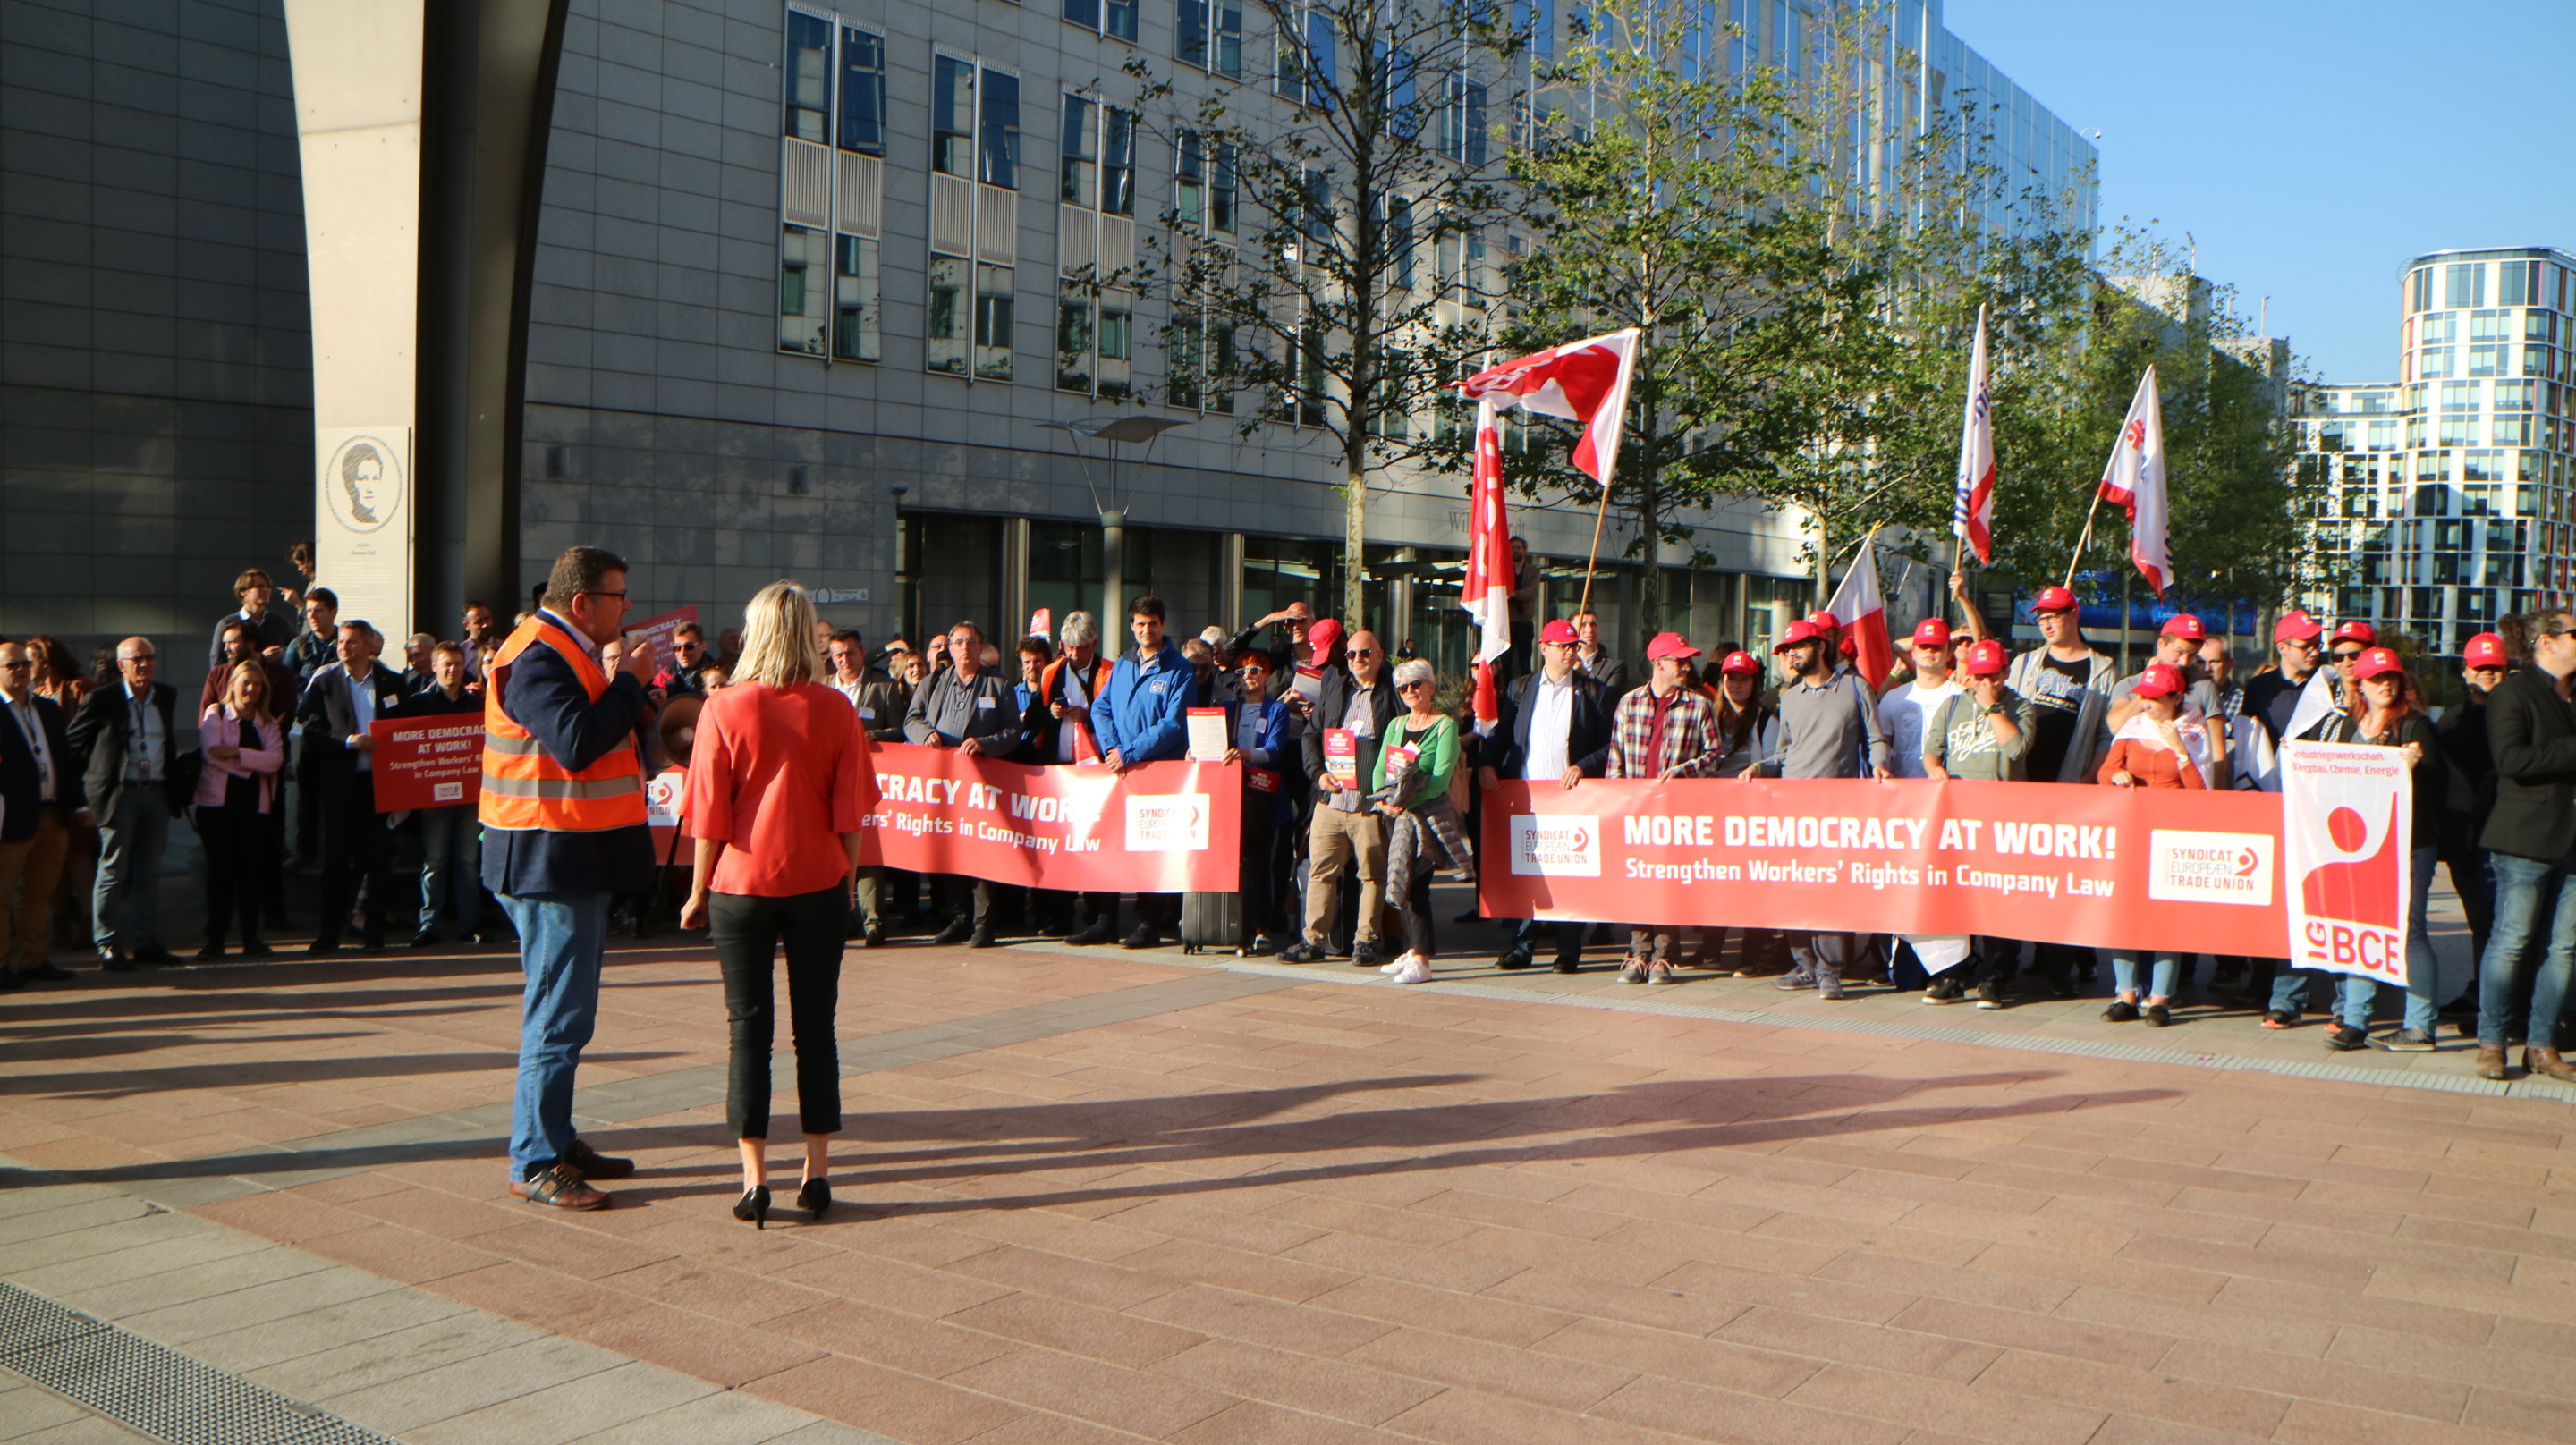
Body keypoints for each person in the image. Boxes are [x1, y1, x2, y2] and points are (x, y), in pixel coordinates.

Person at [679, 582, 877, 1229]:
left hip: (740, 882)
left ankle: (753, 1179)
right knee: (816, 1030)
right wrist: (848, 881)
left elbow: (708, 814)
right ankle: (816, 1173)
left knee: (748, 1033)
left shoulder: (723, 708)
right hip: (819, 878)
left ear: (755, 631)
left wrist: (697, 889)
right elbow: (851, 811)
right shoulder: (837, 709)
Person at [483, 545, 657, 1211]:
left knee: (565, 1012)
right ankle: (534, 1158)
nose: (628, 607)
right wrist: (630, 682)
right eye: (618, 596)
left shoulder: (561, 651)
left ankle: (555, 1137)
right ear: (583, 603)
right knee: (557, 1015)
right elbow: (576, 742)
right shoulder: (534, 656)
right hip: (546, 859)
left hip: (568, 855)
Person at [1750, 619, 1887, 998]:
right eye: (1787, 649)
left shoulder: (1855, 687)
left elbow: (1874, 737)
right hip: (1792, 810)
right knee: (1795, 890)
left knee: (1828, 890)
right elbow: (1784, 752)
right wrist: (1760, 767)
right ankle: (1804, 965)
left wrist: (1879, 764)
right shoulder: (1789, 697)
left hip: (1835, 811)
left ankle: (1830, 970)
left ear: (1820, 647)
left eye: (1798, 647)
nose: (1791, 654)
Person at [2470, 608, 2576, 1083]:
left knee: (2565, 949)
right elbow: (2511, 760)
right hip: (2526, 839)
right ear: (2547, 642)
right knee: (2511, 942)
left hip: (2574, 844)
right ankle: (2492, 1043)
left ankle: (2542, 1045)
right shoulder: (2514, 691)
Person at [2328, 648, 2449, 1052]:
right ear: (2359, 683)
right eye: (2376, 677)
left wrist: (2412, 771)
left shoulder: (2416, 725)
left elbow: (2436, 790)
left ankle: (2419, 1026)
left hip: (2410, 843)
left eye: (2391, 677)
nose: (2385, 683)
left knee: (2409, 931)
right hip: (2361, 846)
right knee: (2361, 927)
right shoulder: (2349, 726)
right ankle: (2355, 1020)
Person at [2002, 585, 2115, 994]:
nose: (2047, 622)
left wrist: (2089, 776)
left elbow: (2106, 731)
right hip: (2023, 782)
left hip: (2069, 784)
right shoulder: (2025, 662)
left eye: (2055, 614)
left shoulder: (2101, 667)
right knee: (2017, 876)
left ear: (2074, 614)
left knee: (2061, 880)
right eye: (2041, 617)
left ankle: (2058, 965)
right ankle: (2012, 959)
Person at [2097, 663, 2223, 1027]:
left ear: (2176, 698)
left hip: (2172, 836)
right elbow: (2106, 771)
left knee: (2167, 917)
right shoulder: (2132, 727)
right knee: (2124, 913)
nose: (2145, 705)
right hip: (2133, 831)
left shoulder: (2195, 731)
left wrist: (2179, 749)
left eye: (2154, 699)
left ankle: (2160, 998)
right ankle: (2126, 994)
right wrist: (2116, 776)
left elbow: (2200, 791)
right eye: (2142, 697)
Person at [1484, 619, 1611, 973]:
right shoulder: (1520, 689)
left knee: (1571, 874)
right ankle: (1522, 946)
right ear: (1544, 648)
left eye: (1574, 647)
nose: (1571, 652)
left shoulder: (1592, 691)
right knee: (1527, 873)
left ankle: (1569, 949)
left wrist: (1584, 765)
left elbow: (1608, 745)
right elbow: (1503, 733)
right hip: (1528, 800)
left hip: (1571, 799)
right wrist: (1486, 763)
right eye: (1563, 646)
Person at [1923, 638, 2034, 1008]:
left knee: (1999, 899)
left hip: (2003, 818)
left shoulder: (2021, 706)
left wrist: (1991, 709)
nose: (1988, 683)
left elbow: (2017, 749)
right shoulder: (1953, 703)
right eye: (1980, 676)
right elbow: (1931, 749)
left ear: (2005, 673)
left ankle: (1996, 975)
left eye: (1995, 675)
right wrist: (1934, 768)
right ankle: (1954, 971)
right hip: (1959, 817)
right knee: (1956, 896)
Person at [1280, 630, 1400, 967]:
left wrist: (1389, 791)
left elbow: (1403, 743)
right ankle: (1312, 941)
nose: (1357, 660)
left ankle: (1366, 941)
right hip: (1331, 801)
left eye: (1365, 653)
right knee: (1321, 873)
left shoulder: (1393, 693)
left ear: (1380, 655)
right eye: (1351, 655)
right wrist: (1318, 774)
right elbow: (1310, 735)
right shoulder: (1335, 688)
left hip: (1369, 803)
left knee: (1372, 875)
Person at [1610, 633, 1724, 984]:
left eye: (1688, 660)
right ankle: (1638, 951)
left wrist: (1682, 771)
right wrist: (1617, 802)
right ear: (1658, 663)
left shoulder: (1698, 704)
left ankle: (1664, 955)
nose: (1687, 666)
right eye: (1679, 660)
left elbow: (1715, 754)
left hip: (1676, 811)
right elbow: (1615, 757)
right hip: (1637, 810)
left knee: (1670, 881)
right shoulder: (1629, 703)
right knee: (1639, 879)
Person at [902, 620, 1021, 946]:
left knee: (981, 852)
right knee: (952, 849)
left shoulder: (998, 685)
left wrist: (985, 743)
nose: (964, 648)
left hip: (983, 784)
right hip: (945, 784)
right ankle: (958, 918)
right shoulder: (934, 682)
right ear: (949, 648)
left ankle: (984, 923)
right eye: (958, 642)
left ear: (981, 647)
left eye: (970, 642)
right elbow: (911, 720)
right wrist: (926, 734)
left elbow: (1014, 730)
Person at [68, 637, 179, 971]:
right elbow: (72, 746)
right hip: (120, 796)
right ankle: (108, 944)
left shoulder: (166, 696)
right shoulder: (103, 699)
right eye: (136, 659)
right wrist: (82, 797)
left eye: (149, 657)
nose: (144, 664)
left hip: (157, 793)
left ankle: (146, 942)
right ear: (121, 666)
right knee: (112, 871)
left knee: (149, 872)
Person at [297, 621, 408, 953]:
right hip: (341, 787)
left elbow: (407, 730)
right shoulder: (325, 681)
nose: (343, 647)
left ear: (369, 645)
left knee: (377, 860)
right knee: (336, 861)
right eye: (341, 642)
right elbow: (309, 728)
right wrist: (347, 741)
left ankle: (374, 933)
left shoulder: (393, 682)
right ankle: (329, 933)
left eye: (351, 642)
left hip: (380, 787)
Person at [1094, 596, 1196, 949]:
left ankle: (1150, 922)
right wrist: (1111, 749)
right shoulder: (1122, 664)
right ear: (1131, 625)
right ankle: (1105, 921)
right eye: (1139, 623)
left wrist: (1129, 752)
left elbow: (1173, 724)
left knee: (1149, 848)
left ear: (1163, 625)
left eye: (1152, 623)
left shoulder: (1179, 669)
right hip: (1119, 770)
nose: (1145, 630)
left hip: (1156, 772)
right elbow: (1101, 707)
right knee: (1110, 845)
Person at [1369, 659, 1468, 984]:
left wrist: (1404, 801)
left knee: (1418, 886)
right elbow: (1379, 769)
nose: (1410, 691)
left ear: (1430, 686)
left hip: (1427, 816)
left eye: (1416, 684)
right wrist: (1384, 801)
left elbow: (1440, 778)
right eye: (1403, 687)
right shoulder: (1397, 725)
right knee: (1402, 881)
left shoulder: (1445, 726)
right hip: (1395, 816)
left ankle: (1422, 960)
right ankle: (1413, 950)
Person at [0, 640, 87, 987]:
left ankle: (34, 959)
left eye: (25, 663)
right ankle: (1, 964)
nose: (21, 670)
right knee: (1, 896)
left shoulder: (48, 709)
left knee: (40, 893)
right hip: (10, 819)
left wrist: (79, 803)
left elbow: (65, 762)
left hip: (52, 813)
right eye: (11, 665)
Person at [1029, 613, 1120, 942]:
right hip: (1059, 767)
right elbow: (1032, 716)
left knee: (1096, 842)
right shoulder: (1051, 672)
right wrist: (1049, 714)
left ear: (1094, 643)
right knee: (1059, 845)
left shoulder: (1111, 671)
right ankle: (1059, 913)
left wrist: (1089, 715)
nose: (1074, 654)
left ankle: (1099, 913)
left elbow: (1118, 717)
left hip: (1096, 769)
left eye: (1081, 648)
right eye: (1068, 648)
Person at [192, 660, 285, 959]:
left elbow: (276, 761)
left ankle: (250, 938)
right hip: (218, 807)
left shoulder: (268, 723)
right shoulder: (215, 714)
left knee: (250, 873)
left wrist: (236, 753)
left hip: (254, 807)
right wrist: (251, 762)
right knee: (220, 873)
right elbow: (212, 754)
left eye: (257, 684)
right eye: (245, 682)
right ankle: (216, 939)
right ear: (232, 684)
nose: (251, 689)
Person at [405, 643, 490, 948]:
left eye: (456, 663)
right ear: (434, 666)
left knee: (468, 861)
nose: (452, 669)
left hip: (469, 799)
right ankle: (428, 925)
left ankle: (470, 925)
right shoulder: (419, 703)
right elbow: (410, 752)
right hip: (434, 800)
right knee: (435, 861)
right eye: (446, 664)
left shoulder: (476, 703)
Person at [1221, 649, 1298, 951]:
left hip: (1264, 794)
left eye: (1254, 671)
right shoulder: (1229, 708)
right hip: (1230, 793)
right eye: (1241, 673)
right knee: (1234, 861)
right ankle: (1235, 921)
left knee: (1260, 862)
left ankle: (1263, 925)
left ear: (1266, 675)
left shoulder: (1277, 710)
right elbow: (1214, 743)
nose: (1247, 678)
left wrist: (1245, 754)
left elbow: (1274, 750)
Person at [2439, 631, 2506, 974]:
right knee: (2480, 921)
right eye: (2480, 667)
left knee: (2498, 922)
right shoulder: (2450, 722)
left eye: (2495, 667)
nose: (2487, 673)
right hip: (2464, 839)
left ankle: (2491, 997)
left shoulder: (2519, 717)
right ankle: (2481, 991)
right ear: (2465, 671)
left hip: (2507, 837)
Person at [1878, 619, 1963, 781]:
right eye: (1924, 646)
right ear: (1913, 653)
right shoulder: (1893, 698)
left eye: (1937, 646)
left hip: (1950, 785)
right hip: (1902, 788)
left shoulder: (1963, 696)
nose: (1930, 650)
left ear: (1949, 654)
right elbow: (1880, 744)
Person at [206, 567, 296, 672]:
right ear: (243, 592)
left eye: (268, 586)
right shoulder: (227, 624)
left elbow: (299, 646)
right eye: (259, 586)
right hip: (240, 684)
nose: (266, 590)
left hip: (273, 685)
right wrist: (261, 658)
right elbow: (217, 665)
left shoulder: (278, 621)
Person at [200, 620, 298, 714]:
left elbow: (285, 714)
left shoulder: (281, 676)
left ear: (251, 644)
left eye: (232, 643)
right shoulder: (218, 674)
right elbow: (207, 713)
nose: (226, 649)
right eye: (225, 643)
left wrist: (268, 730)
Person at [1572, 610, 1631, 701]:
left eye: (1593, 625)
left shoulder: (1614, 667)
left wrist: (1585, 674)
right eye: (1583, 625)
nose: (1589, 630)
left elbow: (1611, 700)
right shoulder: (1564, 664)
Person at [666, 622, 716, 695]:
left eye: (688, 647)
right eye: (677, 648)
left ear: (703, 646)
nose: (683, 653)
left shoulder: (718, 675)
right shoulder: (665, 675)